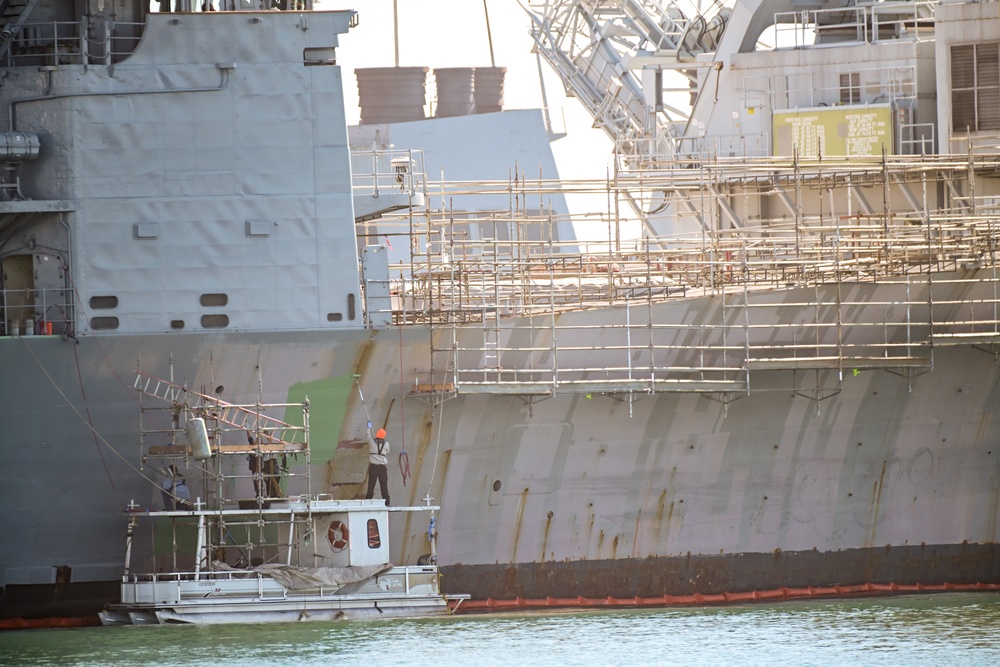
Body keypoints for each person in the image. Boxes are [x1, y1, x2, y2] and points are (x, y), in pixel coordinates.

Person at [365, 423, 390, 506]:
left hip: (373, 467)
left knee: (371, 485)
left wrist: (369, 427)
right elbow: (388, 452)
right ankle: (387, 502)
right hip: (382, 468)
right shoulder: (386, 444)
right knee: (384, 485)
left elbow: (367, 436)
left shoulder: (372, 442)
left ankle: (368, 501)